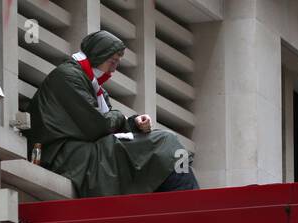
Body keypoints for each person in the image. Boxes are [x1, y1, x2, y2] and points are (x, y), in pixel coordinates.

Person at [27, 29, 198, 197]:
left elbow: (107, 123)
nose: (114, 69)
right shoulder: (68, 76)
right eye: (112, 61)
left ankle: (184, 205)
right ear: (98, 55)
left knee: (162, 153)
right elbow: (98, 125)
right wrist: (124, 119)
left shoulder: (91, 85)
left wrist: (134, 123)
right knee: (163, 142)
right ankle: (189, 205)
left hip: (81, 151)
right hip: (64, 156)